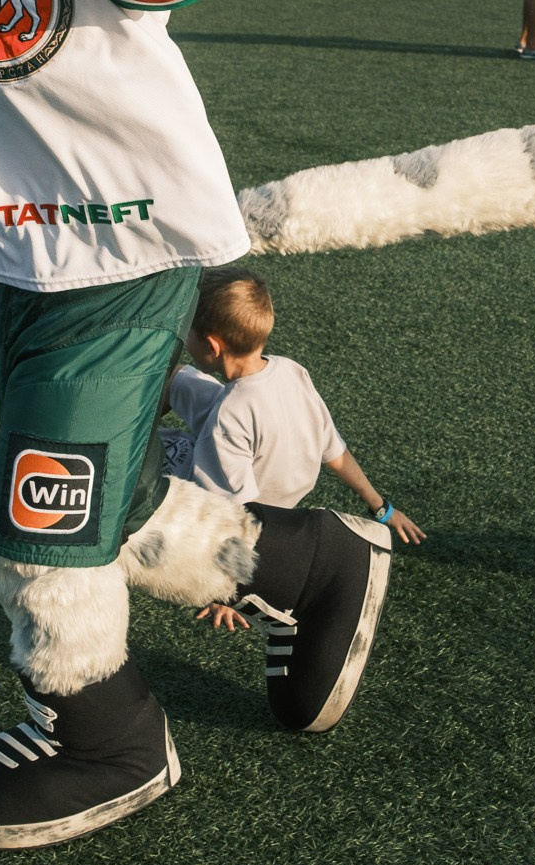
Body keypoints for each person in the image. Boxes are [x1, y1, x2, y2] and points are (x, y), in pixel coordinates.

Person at [164, 269, 425, 628]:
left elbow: (237, 517)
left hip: (255, 514)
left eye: (188, 331)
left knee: (143, 457)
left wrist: (228, 594)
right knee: (181, 378)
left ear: (211, 346)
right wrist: (381, 507)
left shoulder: (230, 417)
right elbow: (334, 451)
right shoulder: (289, 371)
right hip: (273, 491)